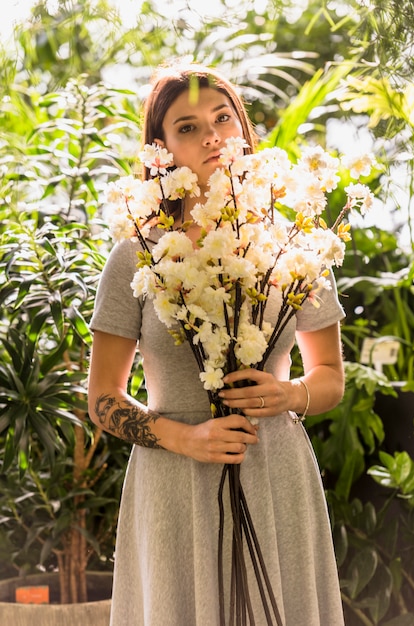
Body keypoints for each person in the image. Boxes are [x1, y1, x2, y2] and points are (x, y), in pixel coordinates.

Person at [88, 62, 346, 625]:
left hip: (277, 477)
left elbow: (329, 377)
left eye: (222, 117)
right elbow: (103, 399)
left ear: (242, 129)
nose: (211, 135)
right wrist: (186, 438)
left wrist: (290, 394)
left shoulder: (294, 246)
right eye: (187, 127)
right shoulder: (139, 256)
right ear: (162, 150)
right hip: (173, 486)